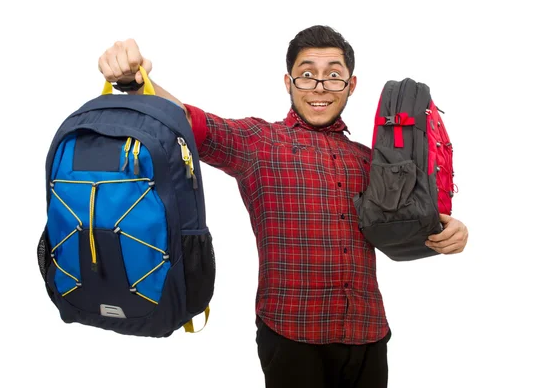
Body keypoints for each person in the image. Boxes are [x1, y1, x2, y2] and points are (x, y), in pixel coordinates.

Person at [97, 25, 469, 388]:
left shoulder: (371, 161)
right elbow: (194, 124)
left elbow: (400, 232)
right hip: (291, 336)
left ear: (351, 85)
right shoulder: (259, 143)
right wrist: (133, 81)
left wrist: (449, 231)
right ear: (288, 83)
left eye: (333, 75)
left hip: (368, 333)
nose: (319, 87)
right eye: (307, 75)